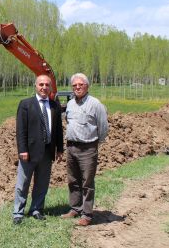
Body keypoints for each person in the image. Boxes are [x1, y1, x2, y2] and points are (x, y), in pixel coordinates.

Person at [12, 74, 64, 225]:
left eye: (47, 85)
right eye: (41, 84)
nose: (44, 87)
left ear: (51, 88)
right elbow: (21, 130)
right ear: (36, 86)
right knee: (23, 184)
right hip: (28, 152)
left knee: (42, 184)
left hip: (47, 153)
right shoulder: (25, 104)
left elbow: (58, 130)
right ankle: (18, 213)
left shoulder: (54, 106)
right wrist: (22, 150)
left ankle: (36, 209)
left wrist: (59, 149)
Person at [61, 73, 108, 226]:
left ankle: (87, 215)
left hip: (88, 148)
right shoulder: (70, 104)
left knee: (87, 182)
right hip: (71, 147)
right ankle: (75, 208)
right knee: (73, 180)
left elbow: (103, 127)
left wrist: (95, 144)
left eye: (80, 84)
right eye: (74, 85)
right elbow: (68, 121)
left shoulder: (95, 104)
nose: (77, 87)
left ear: (87, 86)